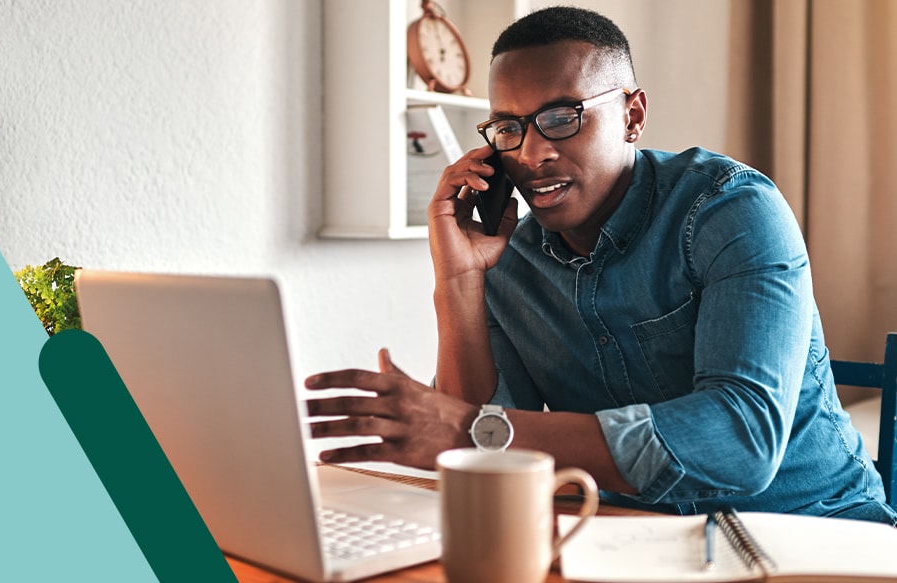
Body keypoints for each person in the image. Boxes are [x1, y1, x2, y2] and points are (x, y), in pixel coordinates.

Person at [305, 6, 897, 524]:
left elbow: (740, 440)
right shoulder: (507, 258)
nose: (532, 153)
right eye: (508, 128)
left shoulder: (731, 210)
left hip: (813, 530)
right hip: (622, 533)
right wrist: (457, 283)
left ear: (633, 116)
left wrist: (468, 432)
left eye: (562, 117)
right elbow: (473, 454)